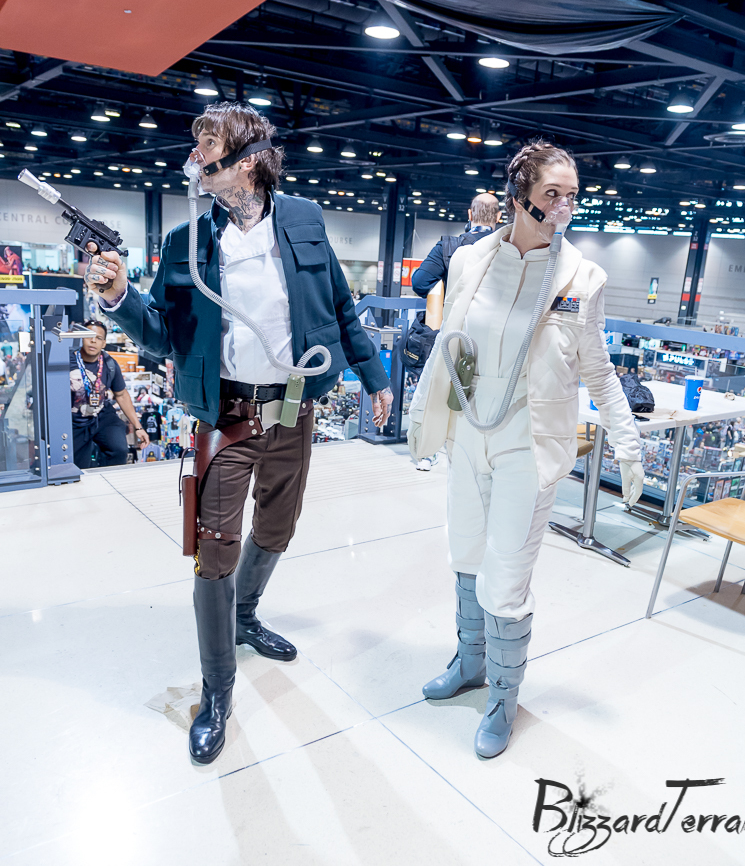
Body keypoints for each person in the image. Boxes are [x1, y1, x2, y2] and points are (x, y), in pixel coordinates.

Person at [84, 101, 392, 764]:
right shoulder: (187, 242)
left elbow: (340, 305)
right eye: (195, 149)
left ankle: (246, 615)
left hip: (294, 409)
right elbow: (161, 336)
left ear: (248, 162)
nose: (195, 160)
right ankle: (217, 691)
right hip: (224, 415)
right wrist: (117, 298)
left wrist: (375, 376)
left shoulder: (303, 219)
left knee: (278, 527)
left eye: (209, 149)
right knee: (212, 548)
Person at [408, 139, 644, 759]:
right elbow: (449, 342)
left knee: (506, 578)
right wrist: (422, 413)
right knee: (465, 555)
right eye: (551, 194)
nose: (564, 206)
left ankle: (502, 699)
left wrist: (627, 444)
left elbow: (599, 370)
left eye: (571, 195)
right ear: (519, 197)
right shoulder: (472, 261)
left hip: (529, 447)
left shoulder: (582, 278)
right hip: (470, 435)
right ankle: (469, 662)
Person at [70, 320, 150, 468]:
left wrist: (138, 427)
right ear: (81, 338)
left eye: (99, 338)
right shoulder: (68, 362)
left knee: (119, 450)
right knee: (78, 466)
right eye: (89, 336)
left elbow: (121, 394)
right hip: (75, 421)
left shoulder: (109, 364)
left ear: (104, 343)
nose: (93, 341)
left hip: (101, 415)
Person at [411, 193, 500, 298]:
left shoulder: (446, 247)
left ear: (470, 214)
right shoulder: (506, 248)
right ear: (498, 216)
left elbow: (419, 283)